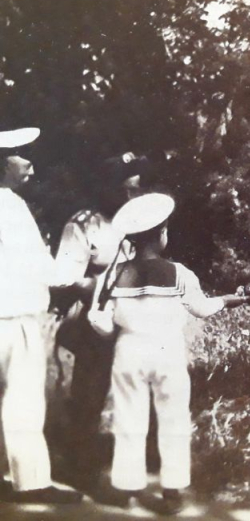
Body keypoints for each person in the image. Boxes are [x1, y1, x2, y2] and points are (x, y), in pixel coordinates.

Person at [86, 193, 248, 514]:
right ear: (162, 235)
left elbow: (98, 318)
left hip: (128, 350)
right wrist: (227, 300)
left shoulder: (114, 274)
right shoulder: (179, 273)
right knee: (173, 418)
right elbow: (201, 309)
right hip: (167, 351)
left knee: (129, 417)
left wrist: (113, 333)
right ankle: (172, 491)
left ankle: (128, 486)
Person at [50, 152, 151, 490]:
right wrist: (96, 286)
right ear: (107, 188)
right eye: (124, 190)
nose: (129, 198)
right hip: (93, 320)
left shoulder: (143, 222)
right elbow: (63, 276)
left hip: (133, 320)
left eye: (135, 191)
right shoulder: (83, 224)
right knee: (90, 389)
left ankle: (138, 460)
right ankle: (77, 461)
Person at [0, 127, 83, 504]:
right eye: (22, 156)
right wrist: (78, 272)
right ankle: (31, 482)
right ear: (3, 163)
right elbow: (42, 268)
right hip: (14, 317)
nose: (31, 165)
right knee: (24, 398)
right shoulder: (11, 207)